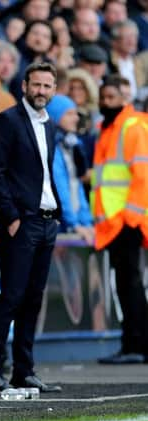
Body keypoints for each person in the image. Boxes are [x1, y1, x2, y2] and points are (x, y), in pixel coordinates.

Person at [0, 62, 63, 394]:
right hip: (22, 222)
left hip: (46, 221)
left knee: (33, 299)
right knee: (11, 297)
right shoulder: (7, 121)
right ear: (24, 86)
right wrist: (11, 216)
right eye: (37, 85)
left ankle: (23, 371)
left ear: (54, 90)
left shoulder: (49, 125)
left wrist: (58, 214)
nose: (41, 91)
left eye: (47, 86)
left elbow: (44, 174)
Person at [91, 75, 148, 365]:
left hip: (126, 220)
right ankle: (134, 344)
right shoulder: (109, 128)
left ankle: (135, 346)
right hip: (115, 222)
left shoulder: (131, 126)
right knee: (127, 285)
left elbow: (142, 175)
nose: (105, 103)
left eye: (111, 98)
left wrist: (132, 217)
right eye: (103, 98)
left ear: (124, 98)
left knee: (130, 284)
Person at [45, 94, 94, 244]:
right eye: (69, 114)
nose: (76, 118)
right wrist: (73, 224)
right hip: (58, 227)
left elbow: (77, 187)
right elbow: (60, 190)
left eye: (76, 113)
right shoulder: (51, 148)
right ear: (55, 116)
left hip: (71, 225)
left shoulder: (70, 145)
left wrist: (86, 222)